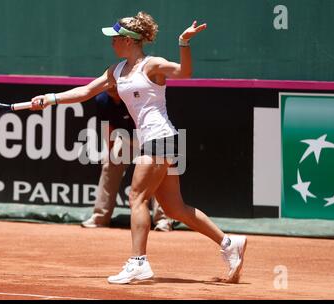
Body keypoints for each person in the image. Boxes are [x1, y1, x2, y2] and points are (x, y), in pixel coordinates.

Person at [30, 11, 247, 284]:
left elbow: (185, 72)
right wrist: (50, 98)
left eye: (115, 39)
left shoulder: (152, 65)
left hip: (161, 137)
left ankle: (138, 263)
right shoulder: (117, 71)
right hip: (157, 140)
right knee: (174, 208)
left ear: (130, 41)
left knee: (137, 197)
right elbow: (85, 91)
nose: (112, 44)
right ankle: (229, 243)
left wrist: (184, 42)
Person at [81, 85, 174, 231]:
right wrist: (112, 151)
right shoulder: (102, 100)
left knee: (156, 174)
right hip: (126, 139)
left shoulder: (134, 96)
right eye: (108, 83)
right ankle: (100, 218)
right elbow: (108, 126)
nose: (110, 85)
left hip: (150, 137)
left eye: (114, 82)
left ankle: (162, 220)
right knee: (109, 166)